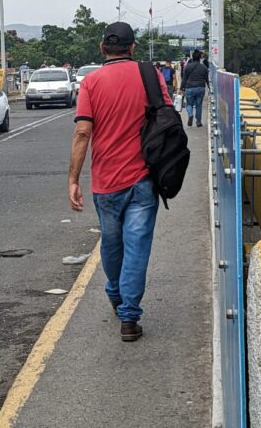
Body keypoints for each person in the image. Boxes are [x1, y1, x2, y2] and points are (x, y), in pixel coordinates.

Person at [68, 22, 172, 343]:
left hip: (105, 183)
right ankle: (128, 316)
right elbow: (168, 116)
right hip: (143, 178)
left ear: (102, 48)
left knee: (112, 244)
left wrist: (73, 179)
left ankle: (115, 294)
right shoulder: (150, 74)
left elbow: (83, 132)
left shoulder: (91, 82)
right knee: (137, 247)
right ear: (133, 47)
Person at [180, 49, 209, 127]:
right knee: (199, 105)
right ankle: (198, 122)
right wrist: (210, 88)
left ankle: (190, 114)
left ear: (192, 57)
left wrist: (181, 89)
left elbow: (184, 79)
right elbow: (207, 79)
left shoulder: (187, 67)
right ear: (200, 58)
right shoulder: (204, 67)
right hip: (201, 88)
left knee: (189, 104)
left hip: (189, 88)